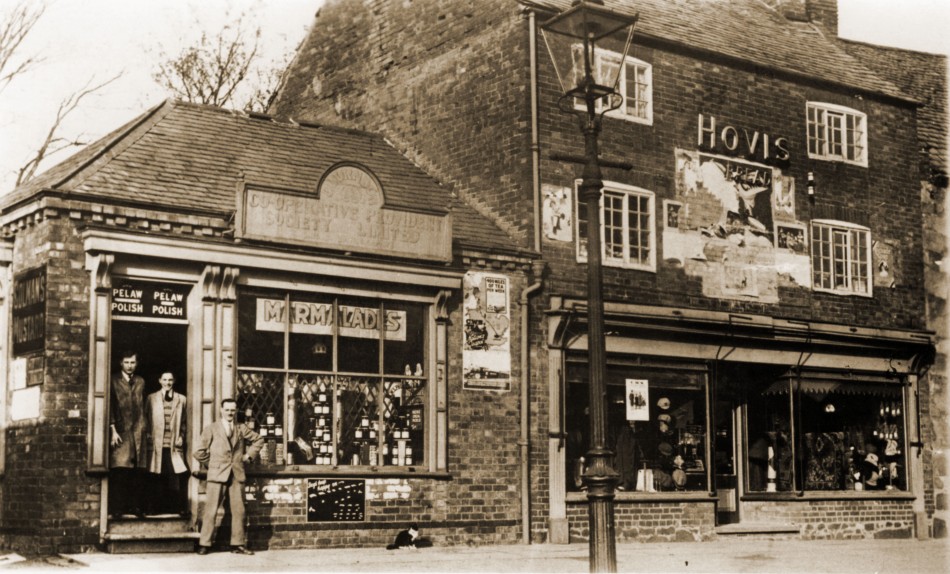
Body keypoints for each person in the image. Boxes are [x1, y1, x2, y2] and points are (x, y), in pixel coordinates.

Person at [194, 398, 264, 556]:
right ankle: (205, 544)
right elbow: (198, 451)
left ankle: (237, 544)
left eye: (233, 410)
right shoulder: (211, 428)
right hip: (216, 475)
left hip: (236, 474)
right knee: (210, 511)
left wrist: (248, 456)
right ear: (221, 410)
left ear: (236, 411)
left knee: (239, 511)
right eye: (227, 410)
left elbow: (259, 439)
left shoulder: (241, 428)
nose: (230, 413)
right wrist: (212, 464)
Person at [109, 350, 147, 518]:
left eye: (132, 362)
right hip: (121, 431)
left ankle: (136, 507)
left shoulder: (140, 381)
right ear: (121, 363)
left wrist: (146, 427)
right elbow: (109, 405)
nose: (130, 366)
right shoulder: (113, 380)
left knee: (137, 471)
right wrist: (113, 430)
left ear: (136, 364)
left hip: (138, 430)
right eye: (127, 362)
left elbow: (143, 406)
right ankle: (118, 508)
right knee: (120, 469)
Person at [145, 372, 188, 516]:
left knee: (177, 475)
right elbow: (145, 419)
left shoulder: (181, 399)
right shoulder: (151, 398)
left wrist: (182, 435)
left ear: (174, 380)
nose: (167, 382)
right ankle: (153, 509)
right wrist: (148, 434)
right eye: (164, 379)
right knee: (156, 476)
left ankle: (179, 508)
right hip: (156, 444)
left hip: (173, 445)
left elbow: (184, 421)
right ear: (159, 380)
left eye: (170, 379)